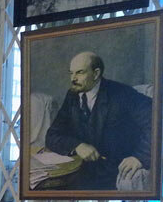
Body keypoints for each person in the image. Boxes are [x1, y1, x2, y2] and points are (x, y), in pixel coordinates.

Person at [44, 51, 152, 191]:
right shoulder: (73, 95)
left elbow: (155, 120)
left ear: (96, 74)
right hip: (81, 172)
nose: (73, 78)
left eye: (80, 72)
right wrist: (77, 146)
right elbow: (52, 135)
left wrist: (139, 157)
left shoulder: (121, 93)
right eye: (71, 73)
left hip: (114, 173)